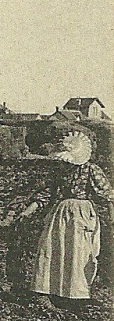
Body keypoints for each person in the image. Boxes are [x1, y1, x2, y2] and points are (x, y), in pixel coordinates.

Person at [27, 131, 112, 306]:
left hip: (81, 213)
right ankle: (48, 290)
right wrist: (29, 210)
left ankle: (76, 294)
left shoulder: (91, 169)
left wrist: (112, 216)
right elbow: (47, 192)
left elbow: (107, 195)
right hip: (61, 213)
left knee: (78, 251)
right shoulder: (61, 169)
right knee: (52, 248)